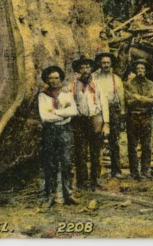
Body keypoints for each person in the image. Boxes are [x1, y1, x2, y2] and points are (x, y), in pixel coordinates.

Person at [37, 66, 79, 208]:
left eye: (56, 78)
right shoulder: (43, 96)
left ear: (60, 79)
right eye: (50, 78)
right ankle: (50, 196)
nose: (54, 81)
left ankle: (68, 194)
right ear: (46, 80)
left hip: (65, 130)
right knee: (50, 163)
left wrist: (55, 112)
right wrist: (62, 113)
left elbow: (73, 111)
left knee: (67, 162)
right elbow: (44, 116)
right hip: (50, 132)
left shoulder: (66, 94)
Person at [70, 55, 110, 191]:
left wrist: (106, 123)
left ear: (92, 69)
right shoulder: (74, 85)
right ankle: (82, 181)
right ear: (78, 70)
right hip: (80, 120)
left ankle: (95, 180)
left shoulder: (97, 84)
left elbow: (104, 103)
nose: (85, 70)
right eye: (82, 68)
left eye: (87, 67)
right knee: (80, 152)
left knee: (95, 151)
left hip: (95, 119)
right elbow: (70, 102)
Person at [94, 52, 126, 179]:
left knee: (114, 140)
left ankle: (116, 170)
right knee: (97, 140)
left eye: (108, 63)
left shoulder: (116, 79)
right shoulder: (95, 78)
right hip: (99, 110)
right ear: (99, 64)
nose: (106, 65)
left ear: (111, 64)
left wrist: (122, 113)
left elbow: (121, 97)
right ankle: (97, 171)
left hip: (113, 110)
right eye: (103, 63)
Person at [123, 59, 153, 180]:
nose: (140, 71)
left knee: (146, 145)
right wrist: (144, 99)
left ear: (146, 71)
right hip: (132, 116)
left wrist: (138, 97)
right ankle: (134, 171)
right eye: (138, 69)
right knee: (132, 145)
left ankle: (145, 170)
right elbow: (128, 101)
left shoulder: (151, 84)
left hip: (146, 116)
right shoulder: (129, 84)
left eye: (142, 69)